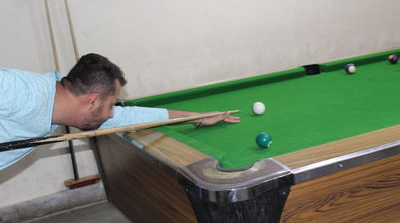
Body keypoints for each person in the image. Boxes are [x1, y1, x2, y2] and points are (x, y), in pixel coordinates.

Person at [0, 53, 240, 170]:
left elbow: (128, 117)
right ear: (92, 101)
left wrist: (195, 118)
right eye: (110, 106)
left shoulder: (59, 107)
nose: (112, 114)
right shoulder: (22, 91)